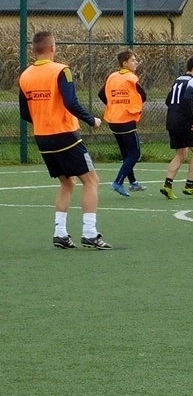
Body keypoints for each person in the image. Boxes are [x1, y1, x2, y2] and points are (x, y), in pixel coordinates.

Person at [18, 30, 113, 249]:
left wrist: (44, 120)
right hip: (65, 135)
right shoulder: (62, 70)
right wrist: (91, 120)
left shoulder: (25, 75)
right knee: (91, 180)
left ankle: (60, 233)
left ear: (34, 50)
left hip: (43, 138)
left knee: (67, 182)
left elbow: (25, 113)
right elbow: (70, 102)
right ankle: (90, 233)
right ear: (53, 48)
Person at [100, 49, 147, 197]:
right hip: (126, 120)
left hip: (113, 120)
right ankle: (118, 182)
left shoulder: (112, 77)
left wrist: (114, 105)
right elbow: (143, 95)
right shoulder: (131, 78)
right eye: (133, 60)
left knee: (126, 153)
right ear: (124, 63)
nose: (136, 62)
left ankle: (133, 182)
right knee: (135, 153)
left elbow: (101, 94)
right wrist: (126, 106)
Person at [161, 56, 193, 200]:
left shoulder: (178, 80)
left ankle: (167, 185)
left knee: (181, 154)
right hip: (183, 122)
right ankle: (189, 186)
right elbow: (187, 101)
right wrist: (192, 121)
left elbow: (168, 100)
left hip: (171, 121)